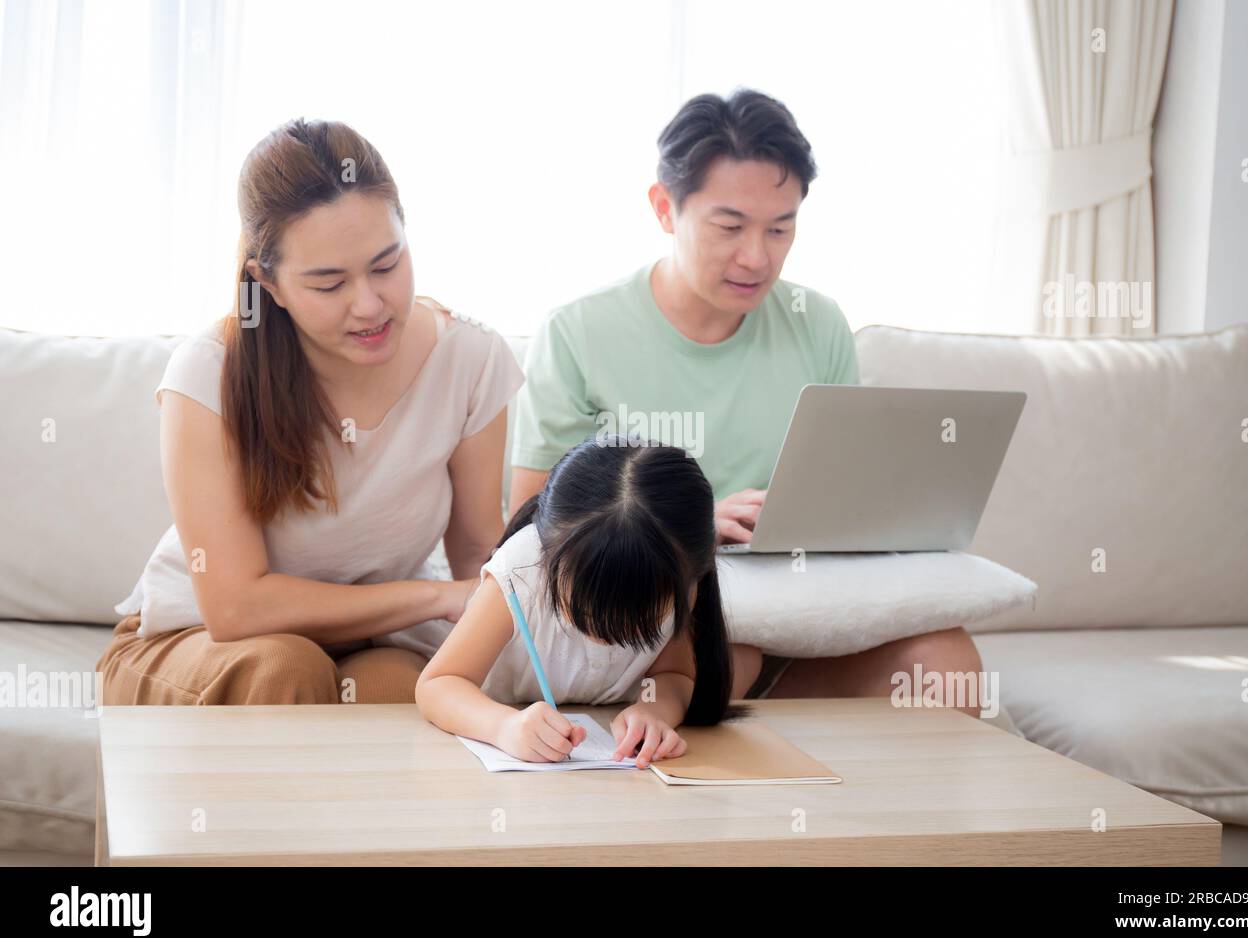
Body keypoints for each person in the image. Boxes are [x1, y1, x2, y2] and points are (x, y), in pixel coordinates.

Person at [509, 90, 983, 713]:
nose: (757, 257)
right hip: (670, 610)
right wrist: (687, 529)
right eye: (729, 227)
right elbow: (529, 524)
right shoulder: (578, 333)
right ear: (664, 208)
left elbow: (853, 489)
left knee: (946, 668)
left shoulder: (817, 322)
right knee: (731, 652)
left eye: (781, 228)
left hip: (801, 601)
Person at [97, 118, 522, 705]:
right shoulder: (207, 372)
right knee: (285, 667)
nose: (370, 305)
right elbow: (234, 609)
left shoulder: (472, 360)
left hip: (359, 644)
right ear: (266, 283)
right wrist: (432, 598)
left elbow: (480, 559)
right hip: (192, 641)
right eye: (328, 285)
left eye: (386, 264)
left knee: (404, 692)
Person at [418, 439, 737, 765]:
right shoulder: (521, 571)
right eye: (586, 610)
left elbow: (674, 675)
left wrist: (653, 711)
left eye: (640, 618)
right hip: (501, 762)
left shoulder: (679, 583)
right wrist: (505, 726)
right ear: (549, 556)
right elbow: (439, 684)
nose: (607, 634)